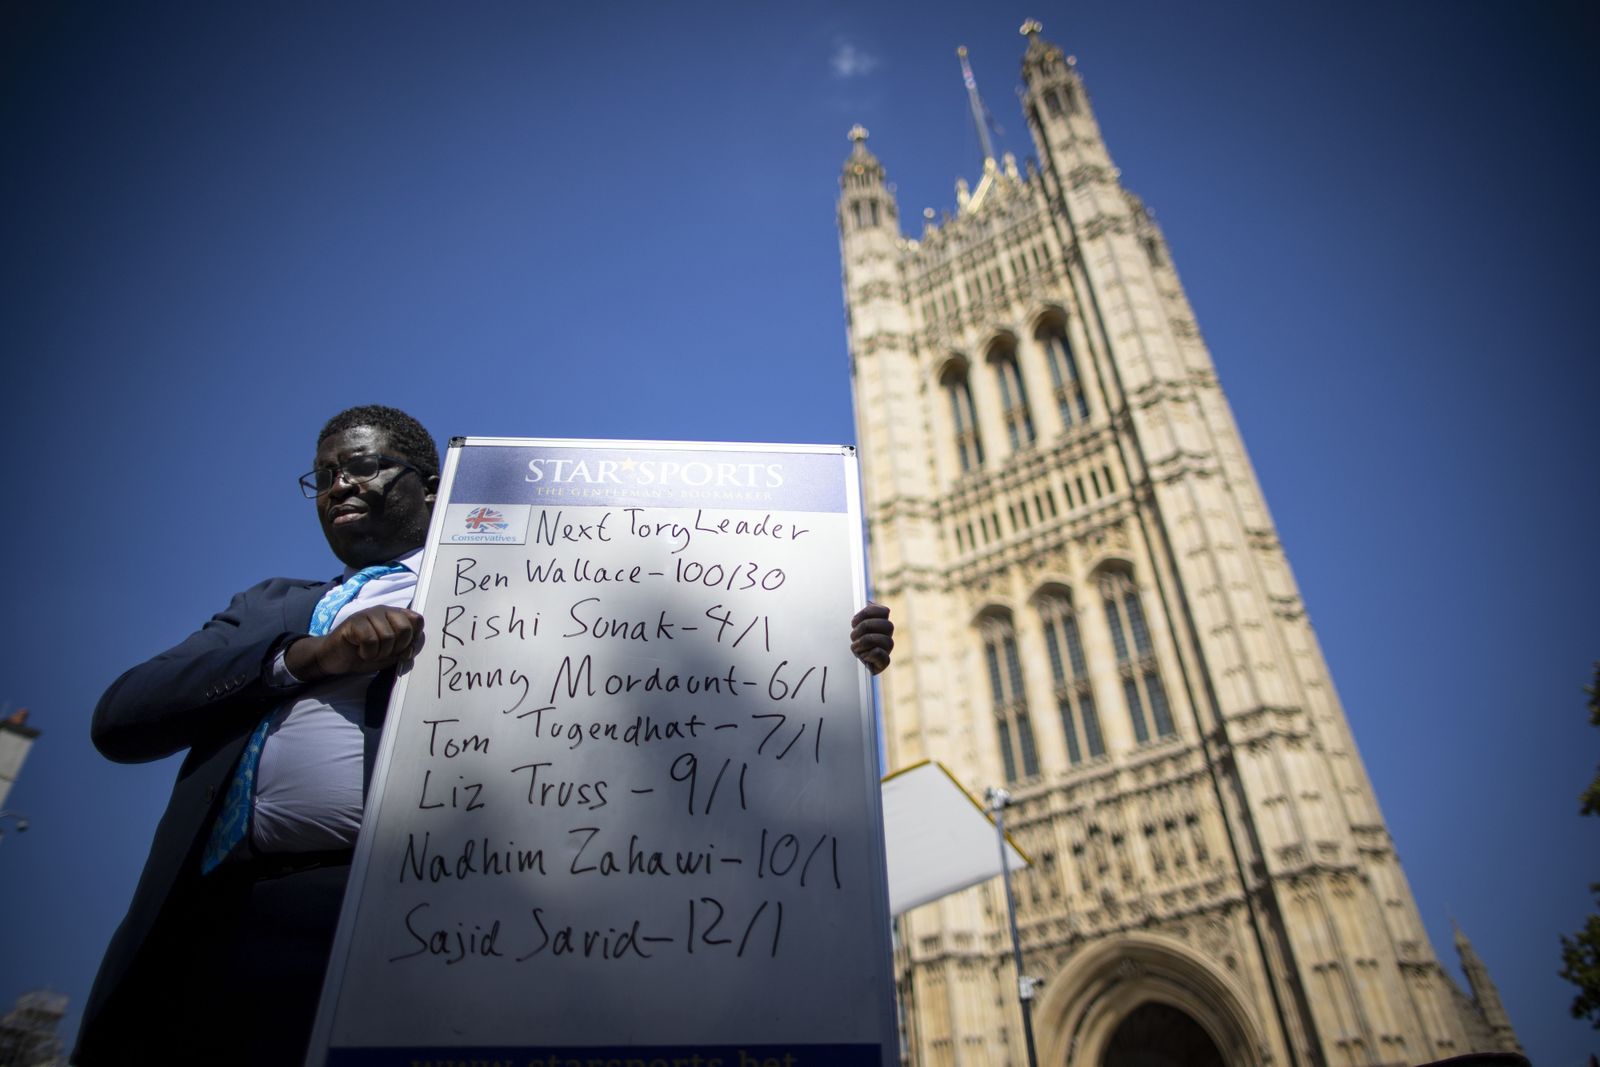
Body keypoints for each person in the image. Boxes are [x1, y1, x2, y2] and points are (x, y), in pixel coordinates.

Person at [76, 405, 894, 1065]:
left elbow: (666, 672)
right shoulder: (267, 606)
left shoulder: (508, 583)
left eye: (361, 466)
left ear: (434, 488)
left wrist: (819, 639)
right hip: (212, 920)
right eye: (322, 476)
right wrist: (304, 657)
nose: (338, 485)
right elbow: (122, 717)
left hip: (390, 916)